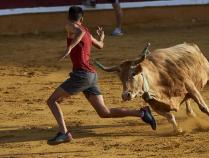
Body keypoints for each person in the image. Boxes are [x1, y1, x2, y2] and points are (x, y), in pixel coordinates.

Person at [46, 6, 156, 145]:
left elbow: (78, 31)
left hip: (82, 75)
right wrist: (101, 38)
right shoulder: (87, 32)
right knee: (104, 112)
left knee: (52, 101)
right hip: (91, 75)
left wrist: (69, 47)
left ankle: (64, 133)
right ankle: (142, 113)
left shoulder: (71, 26)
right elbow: (100, 45)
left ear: (69, 17)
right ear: (82, 18)